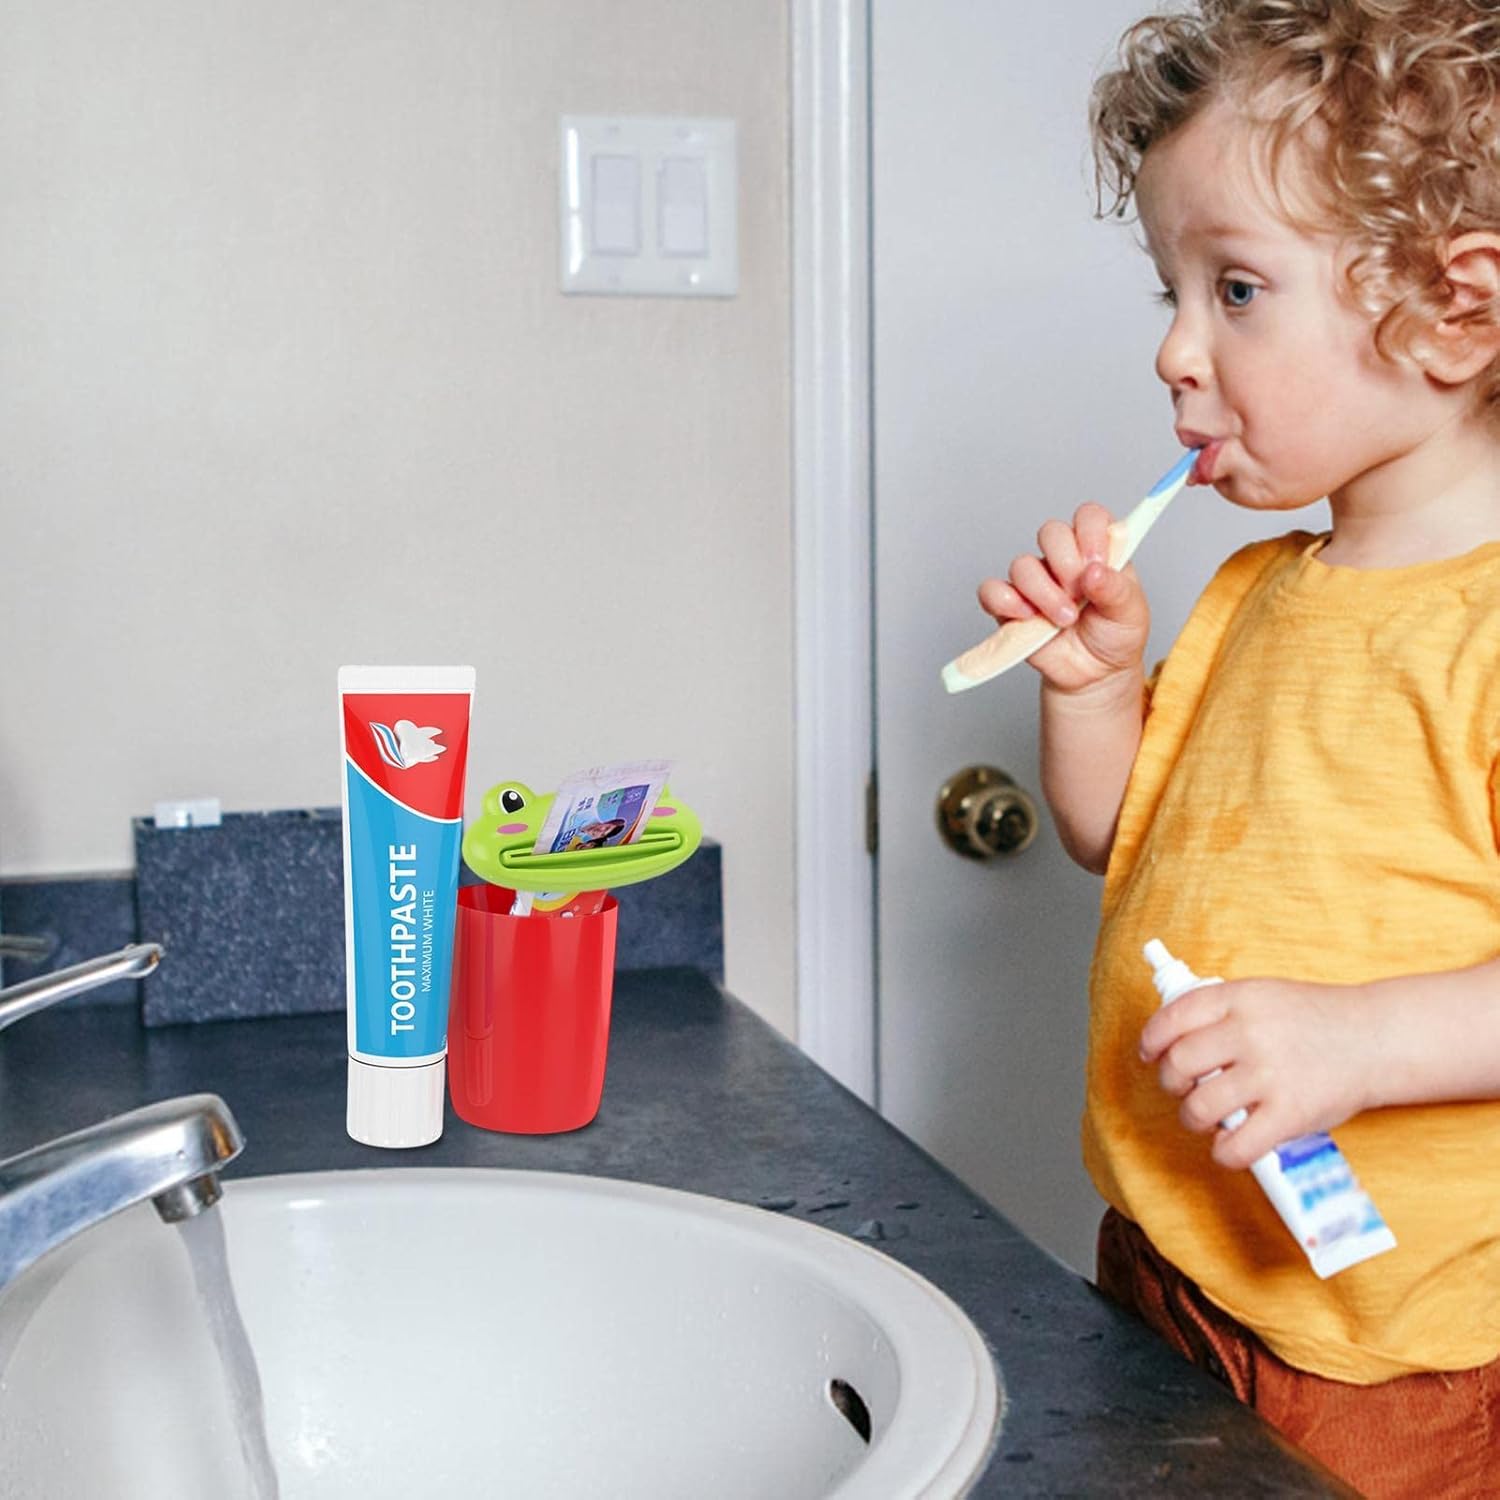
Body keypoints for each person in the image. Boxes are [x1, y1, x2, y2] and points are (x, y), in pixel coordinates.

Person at [974, 3, 1500, 1493]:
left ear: (1458, 313)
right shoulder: (1258, 589)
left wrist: (1361, 1043)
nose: (1173, 351)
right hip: (1168, 1261)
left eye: (1238, 290)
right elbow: (1117, 838)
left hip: (1391, 1354)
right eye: (1171, 289)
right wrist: (1093, 688)